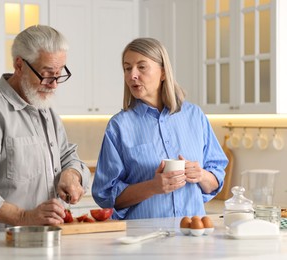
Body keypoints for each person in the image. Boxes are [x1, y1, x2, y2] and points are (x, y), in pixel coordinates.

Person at [0, 25, 90, 229]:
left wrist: (71, 174)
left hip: (46, 240)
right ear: (19, 65)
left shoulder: (45, 108)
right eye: (47, 73)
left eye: (59, 74)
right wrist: (23, 217)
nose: (54, 84)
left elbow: (67, 156)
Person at [92, 38, 228, 220]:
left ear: (163, 72)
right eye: (127, 68)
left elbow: (214, 182)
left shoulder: (195, 116)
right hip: (141, 240)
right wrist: (153, 187)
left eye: (141, 67)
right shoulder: (119, 126)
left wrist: (201, 175)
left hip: (192, 235)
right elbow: (105, 196)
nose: (132, 75)